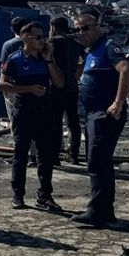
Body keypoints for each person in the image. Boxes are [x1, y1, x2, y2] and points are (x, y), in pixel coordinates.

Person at [71, 10, 129, 229]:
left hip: (104, 114)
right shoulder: (91, 53)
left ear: (98, 28)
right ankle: (102, 211)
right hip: (91, 115)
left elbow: (126, 71)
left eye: (86, 28)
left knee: (97, 161)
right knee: (98, 162)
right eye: (78, 29)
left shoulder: (108, 48)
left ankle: (98, 212)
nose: (81, 33)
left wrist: (118, 102)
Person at [0, 22, 65, 212]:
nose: (42, 40)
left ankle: (45, 195)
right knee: (20, 153)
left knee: (46, 155)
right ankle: (18, 194)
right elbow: (1, 85)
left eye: (43, 36)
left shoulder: (46, 59)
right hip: (24, 111)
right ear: (25, 37)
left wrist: (49, 60)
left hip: (44, 112)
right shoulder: (15, 59)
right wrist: (28, 89)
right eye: (38, 37)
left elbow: (59, 83)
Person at [48, 17, 83, 164]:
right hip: (72, 87)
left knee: (55, 122)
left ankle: (54, 155)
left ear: (53, 27)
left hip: (55, 87)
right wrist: (76, 75)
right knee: (73, 121)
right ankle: (73, 154)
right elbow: (82, 62)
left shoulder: (51, 43)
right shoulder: (76, 44)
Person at [0, 16, 27, 130]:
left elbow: (3, 66)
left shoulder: (8, 45)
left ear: (12, 29)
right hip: (30, 83)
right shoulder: (34, 42)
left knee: (13, 115)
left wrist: (3, 82)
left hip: (12, 85)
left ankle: (17, 140)